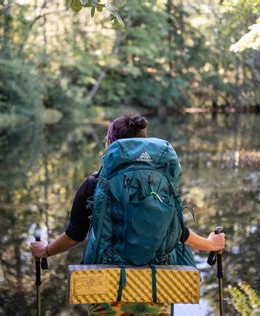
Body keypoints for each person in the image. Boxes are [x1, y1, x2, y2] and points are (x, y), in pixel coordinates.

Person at [31, 112, 225, 315]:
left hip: (107, 285)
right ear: (144, 143)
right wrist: (211, 244)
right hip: (156, 284)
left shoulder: (95, 184)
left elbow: (74, 235)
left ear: (109, 143)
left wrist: (46, 251)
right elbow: (178, 233)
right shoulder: (160, 183)